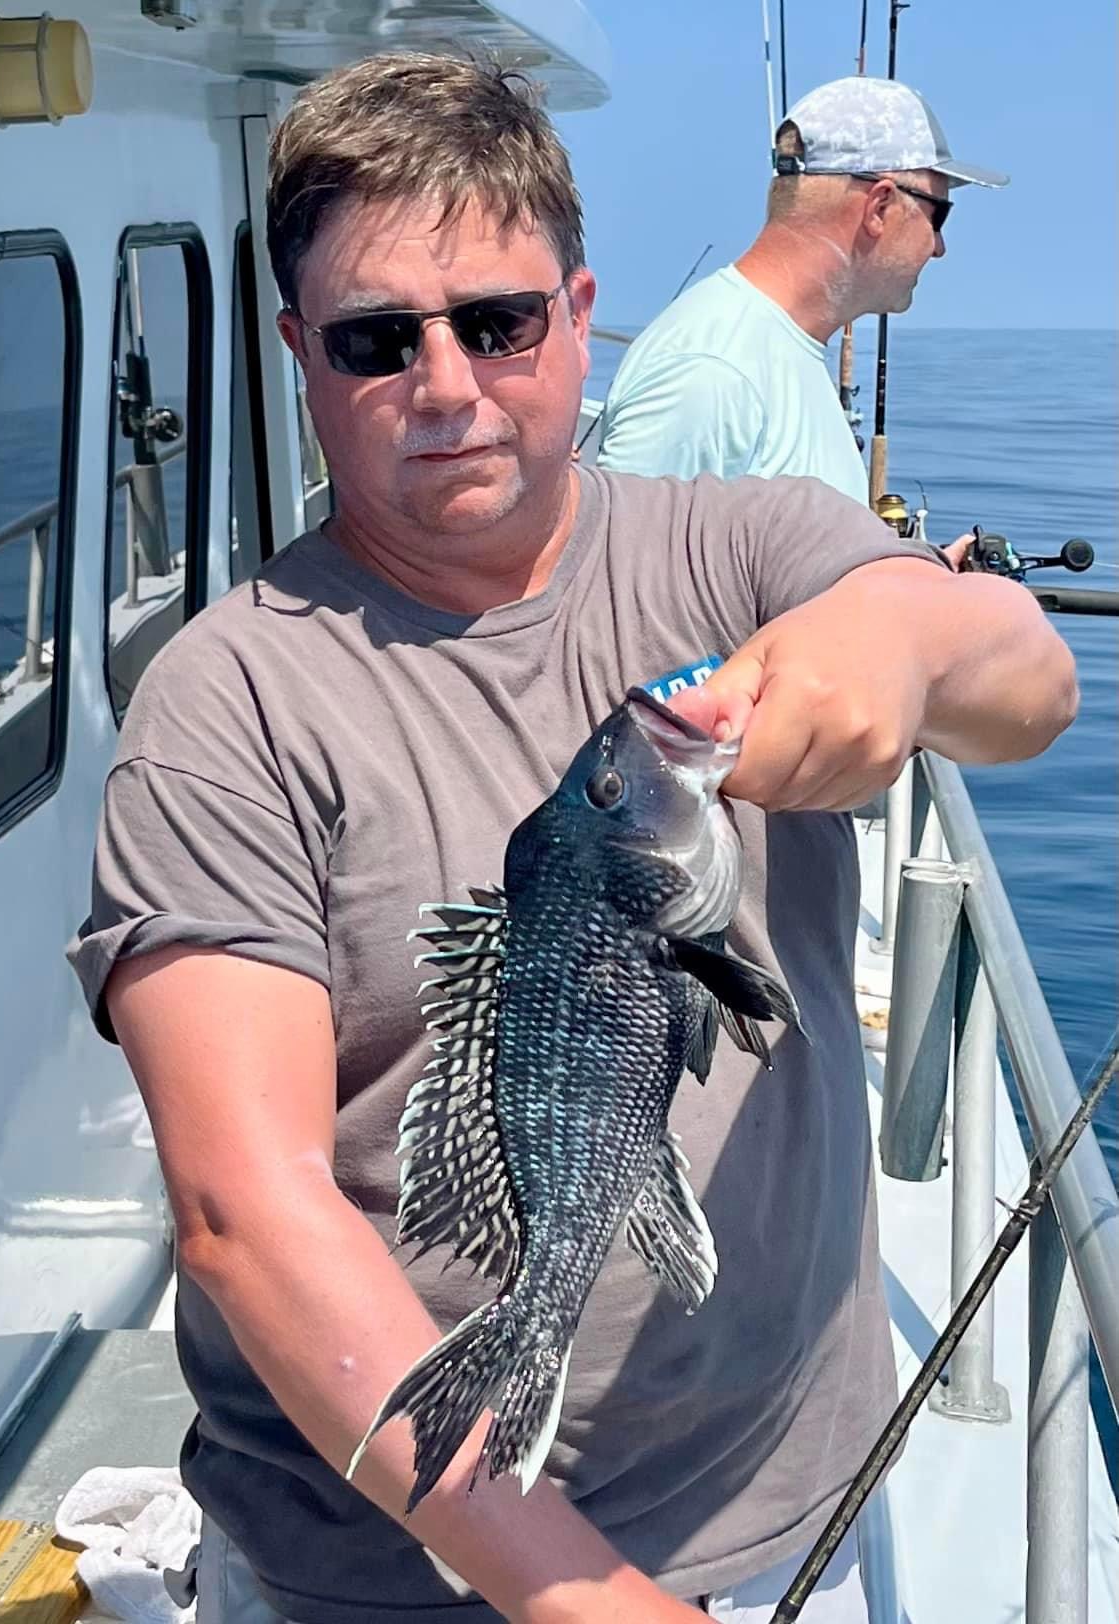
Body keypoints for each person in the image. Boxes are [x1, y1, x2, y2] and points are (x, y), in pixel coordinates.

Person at [68, 53, 1074, 1624]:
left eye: (497, 322)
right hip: (382, 1571)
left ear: (578, 310)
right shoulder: (229, 700)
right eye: (375, 340)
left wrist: (899, 640)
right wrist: (582, 1600)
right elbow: (243, 1210)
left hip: (779, 1493)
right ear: (297, 355)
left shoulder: (738, 542)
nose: (446, 386)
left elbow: (1025, 683)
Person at [596, 77, 1008, 504]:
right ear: (880, 207)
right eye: (938, 217)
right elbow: (626, 547)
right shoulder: (711, 372)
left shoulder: (773, 351)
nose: (939, 247)